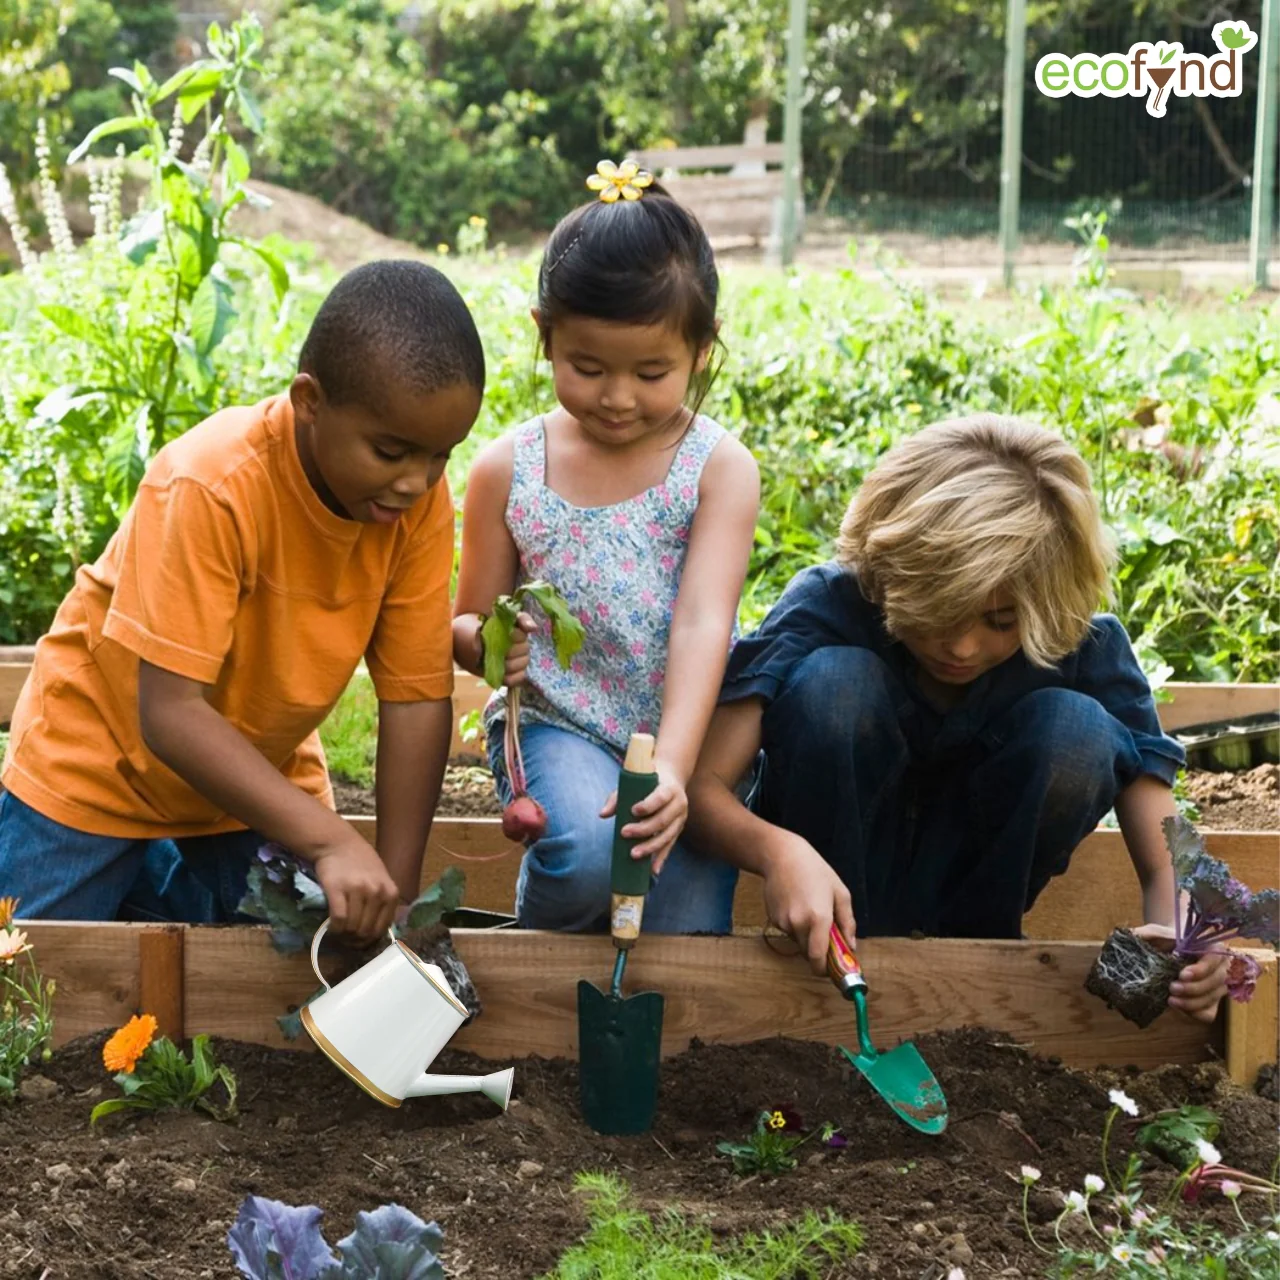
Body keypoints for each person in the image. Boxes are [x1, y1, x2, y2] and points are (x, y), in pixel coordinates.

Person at [0, 260, 484, 940]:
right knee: (24, 985)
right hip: (98, 764)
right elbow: (168, 715)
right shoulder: (210, 484)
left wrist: (393, 895)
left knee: (308, 959)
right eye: (391, 451)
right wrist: (331, 841)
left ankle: (156, 880)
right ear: (309, 400)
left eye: (440, 456)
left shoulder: (414, 507)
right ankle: (146, 872)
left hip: (255, 779)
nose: (417, 481)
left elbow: (415, 698)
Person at [686, 414, 1227, 1020]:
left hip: (982, 904)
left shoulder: (1082, 647)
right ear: (889, 574)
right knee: (835, 684)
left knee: (1076, 730)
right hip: (830, 913)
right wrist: (777, 851)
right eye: (940, 615)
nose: (962, 647)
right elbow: (702, 791)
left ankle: (978, 961)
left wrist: (1186, 940)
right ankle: (843, 953)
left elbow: (1167, 856)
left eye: (1000, 623)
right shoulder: (831, 605)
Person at [452, 159, 759, 933]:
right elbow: (466, 621)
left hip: (684, 730)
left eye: (652, 372)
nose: (617, 397)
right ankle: (533, 983)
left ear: (701, 349)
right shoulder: (508, 469)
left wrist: (677, 771)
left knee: (681, 938)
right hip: (564, 723)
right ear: (544, 335)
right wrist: (490, 647)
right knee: (588, 857)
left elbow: (701, 623)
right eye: (586, 367)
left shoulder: (716, 469)